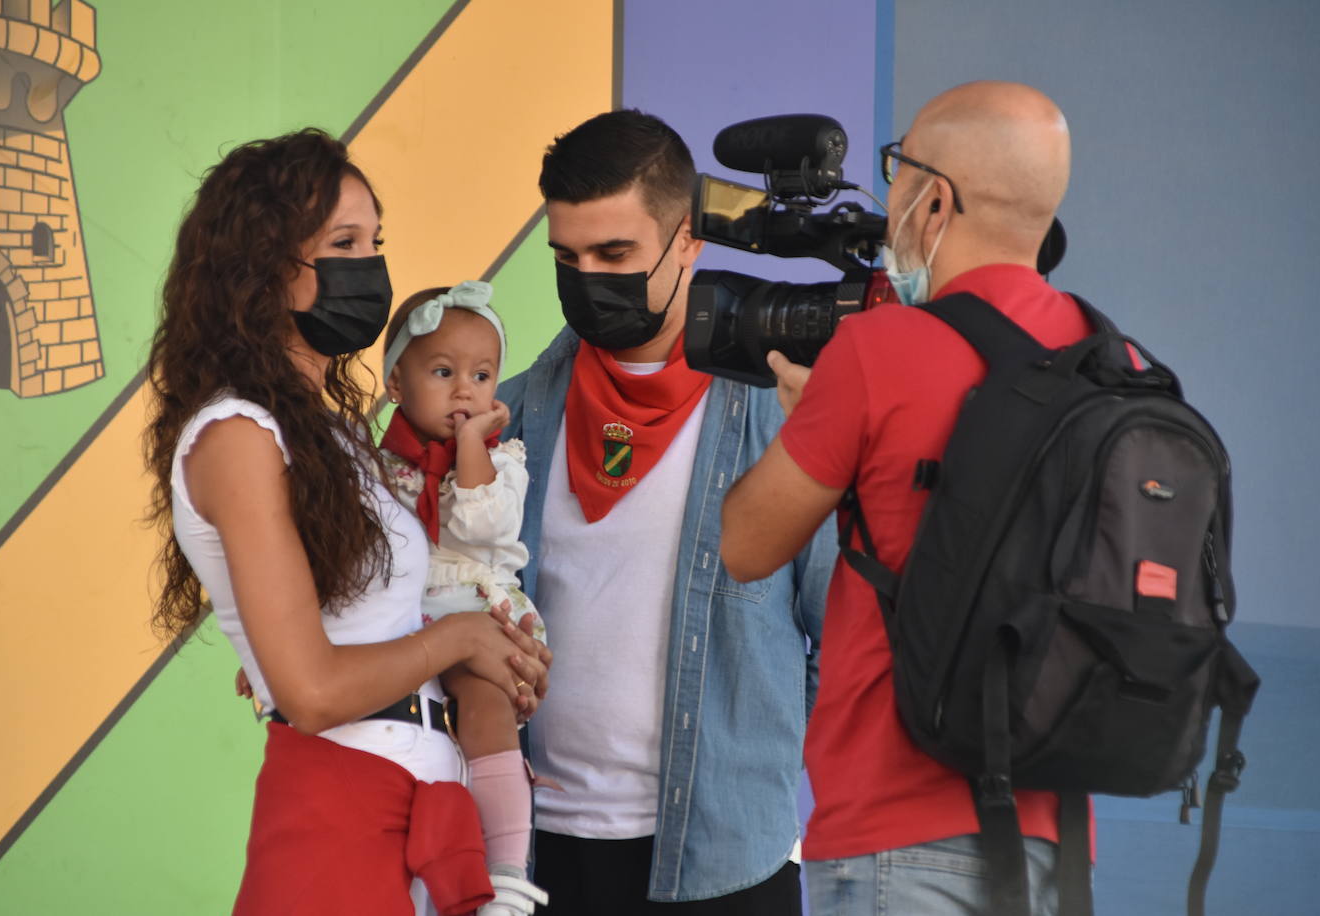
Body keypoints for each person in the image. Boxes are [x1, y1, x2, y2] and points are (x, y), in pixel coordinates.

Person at [144, 128, 549, 916]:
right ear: (264, 265)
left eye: (376, 241)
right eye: (344, 243)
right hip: (341, 818)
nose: (370, 266)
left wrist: (496, 651)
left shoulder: (333, 436)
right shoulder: (237, 433)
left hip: (429, 814)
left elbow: (361, 626)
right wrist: (463, 640)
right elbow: (314, 691)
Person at [720, 81, 1090, 915]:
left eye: (897, 170)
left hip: (896, 834)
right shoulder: (1109, 358)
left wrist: (811, 421)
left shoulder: (880, 348)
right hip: (1055, 843)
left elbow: (746, 544)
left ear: (935, 200)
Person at [497, 109, 833, 914]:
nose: (588, 279)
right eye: (566, 257)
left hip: (723, 864)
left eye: (615, 254)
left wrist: (754, 767)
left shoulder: (783, 417)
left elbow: (846, 638)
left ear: (689, 241)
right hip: (530, 859)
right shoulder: (505, 422)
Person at [377, 281, 549, 914]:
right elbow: (345, 564)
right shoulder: (375, 469)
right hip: (402, 623)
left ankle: (505, 876)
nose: (464, 391)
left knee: (484, 711)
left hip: (477, 609)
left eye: (481, 375)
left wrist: (473, 443)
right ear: (396, 382)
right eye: (443, 371)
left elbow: (482, 525)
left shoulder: (503, 462)